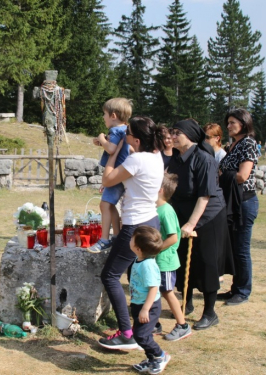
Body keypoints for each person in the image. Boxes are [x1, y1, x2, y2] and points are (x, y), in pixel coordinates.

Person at [97, 116, 164, 350]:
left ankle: (127, 332)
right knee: (138, 275)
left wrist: (113, 153)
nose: (124, 135)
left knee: (110, 276)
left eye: (127, 133)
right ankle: (148, 323)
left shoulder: (136, 159)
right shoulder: (157, 157)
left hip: (135, 226)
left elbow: (107, 178)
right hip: (151, 220)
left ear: (135, 139)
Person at [167, 119, 233, 330]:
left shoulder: (204, 159)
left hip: (208, 218)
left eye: (177, 132)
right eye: (172, 132)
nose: (173, 136)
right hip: (183, 217)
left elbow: (205, 196)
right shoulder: (176, 159)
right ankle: (186, 303)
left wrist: (191, 224)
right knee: (185, 259)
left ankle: (210, 312)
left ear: (191, 136)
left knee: (207, 262)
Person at [218, 108, 259, 306]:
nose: (229, 126)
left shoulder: (248, 143)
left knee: (241, 249)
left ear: (244, 123)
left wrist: (221, 176)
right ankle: (236, 288)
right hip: (233, 201)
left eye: (233, 122)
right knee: (234, 247)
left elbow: (242, 176)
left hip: (244, 202)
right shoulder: (234, 145)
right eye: (228, 122)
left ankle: (243, 291)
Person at [88, 98, 132, 253]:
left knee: (104, 205)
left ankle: (104, 239)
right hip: (121, 174)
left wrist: (101, 138)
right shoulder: (125, 130)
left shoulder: (115, 130)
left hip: (115, 173)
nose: (103, 117)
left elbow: (112, 149)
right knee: (110, 204)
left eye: (104, 114)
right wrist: (102, 142)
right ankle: (117, 236)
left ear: (113, 115)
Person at [126, 226, 171, 374]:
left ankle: (160, 356)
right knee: (142, 334)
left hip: (149, 307)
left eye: (132, 238)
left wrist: (145, 309)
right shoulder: (138, 259)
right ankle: (151, 359)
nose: (130, 239)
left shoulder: (148, 265)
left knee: (141, 335)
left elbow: (153, 288)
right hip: (138, 304)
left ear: (138, 248)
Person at [153, 173, 192, 341]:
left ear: (160, 190)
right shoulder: (156, 208)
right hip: (156, 260)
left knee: (167, 292)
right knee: (153, 291)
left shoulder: (166, 211)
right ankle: (154, 324)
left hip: (165, 261)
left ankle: (182, 325)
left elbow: (173, 237)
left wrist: (156, 249)